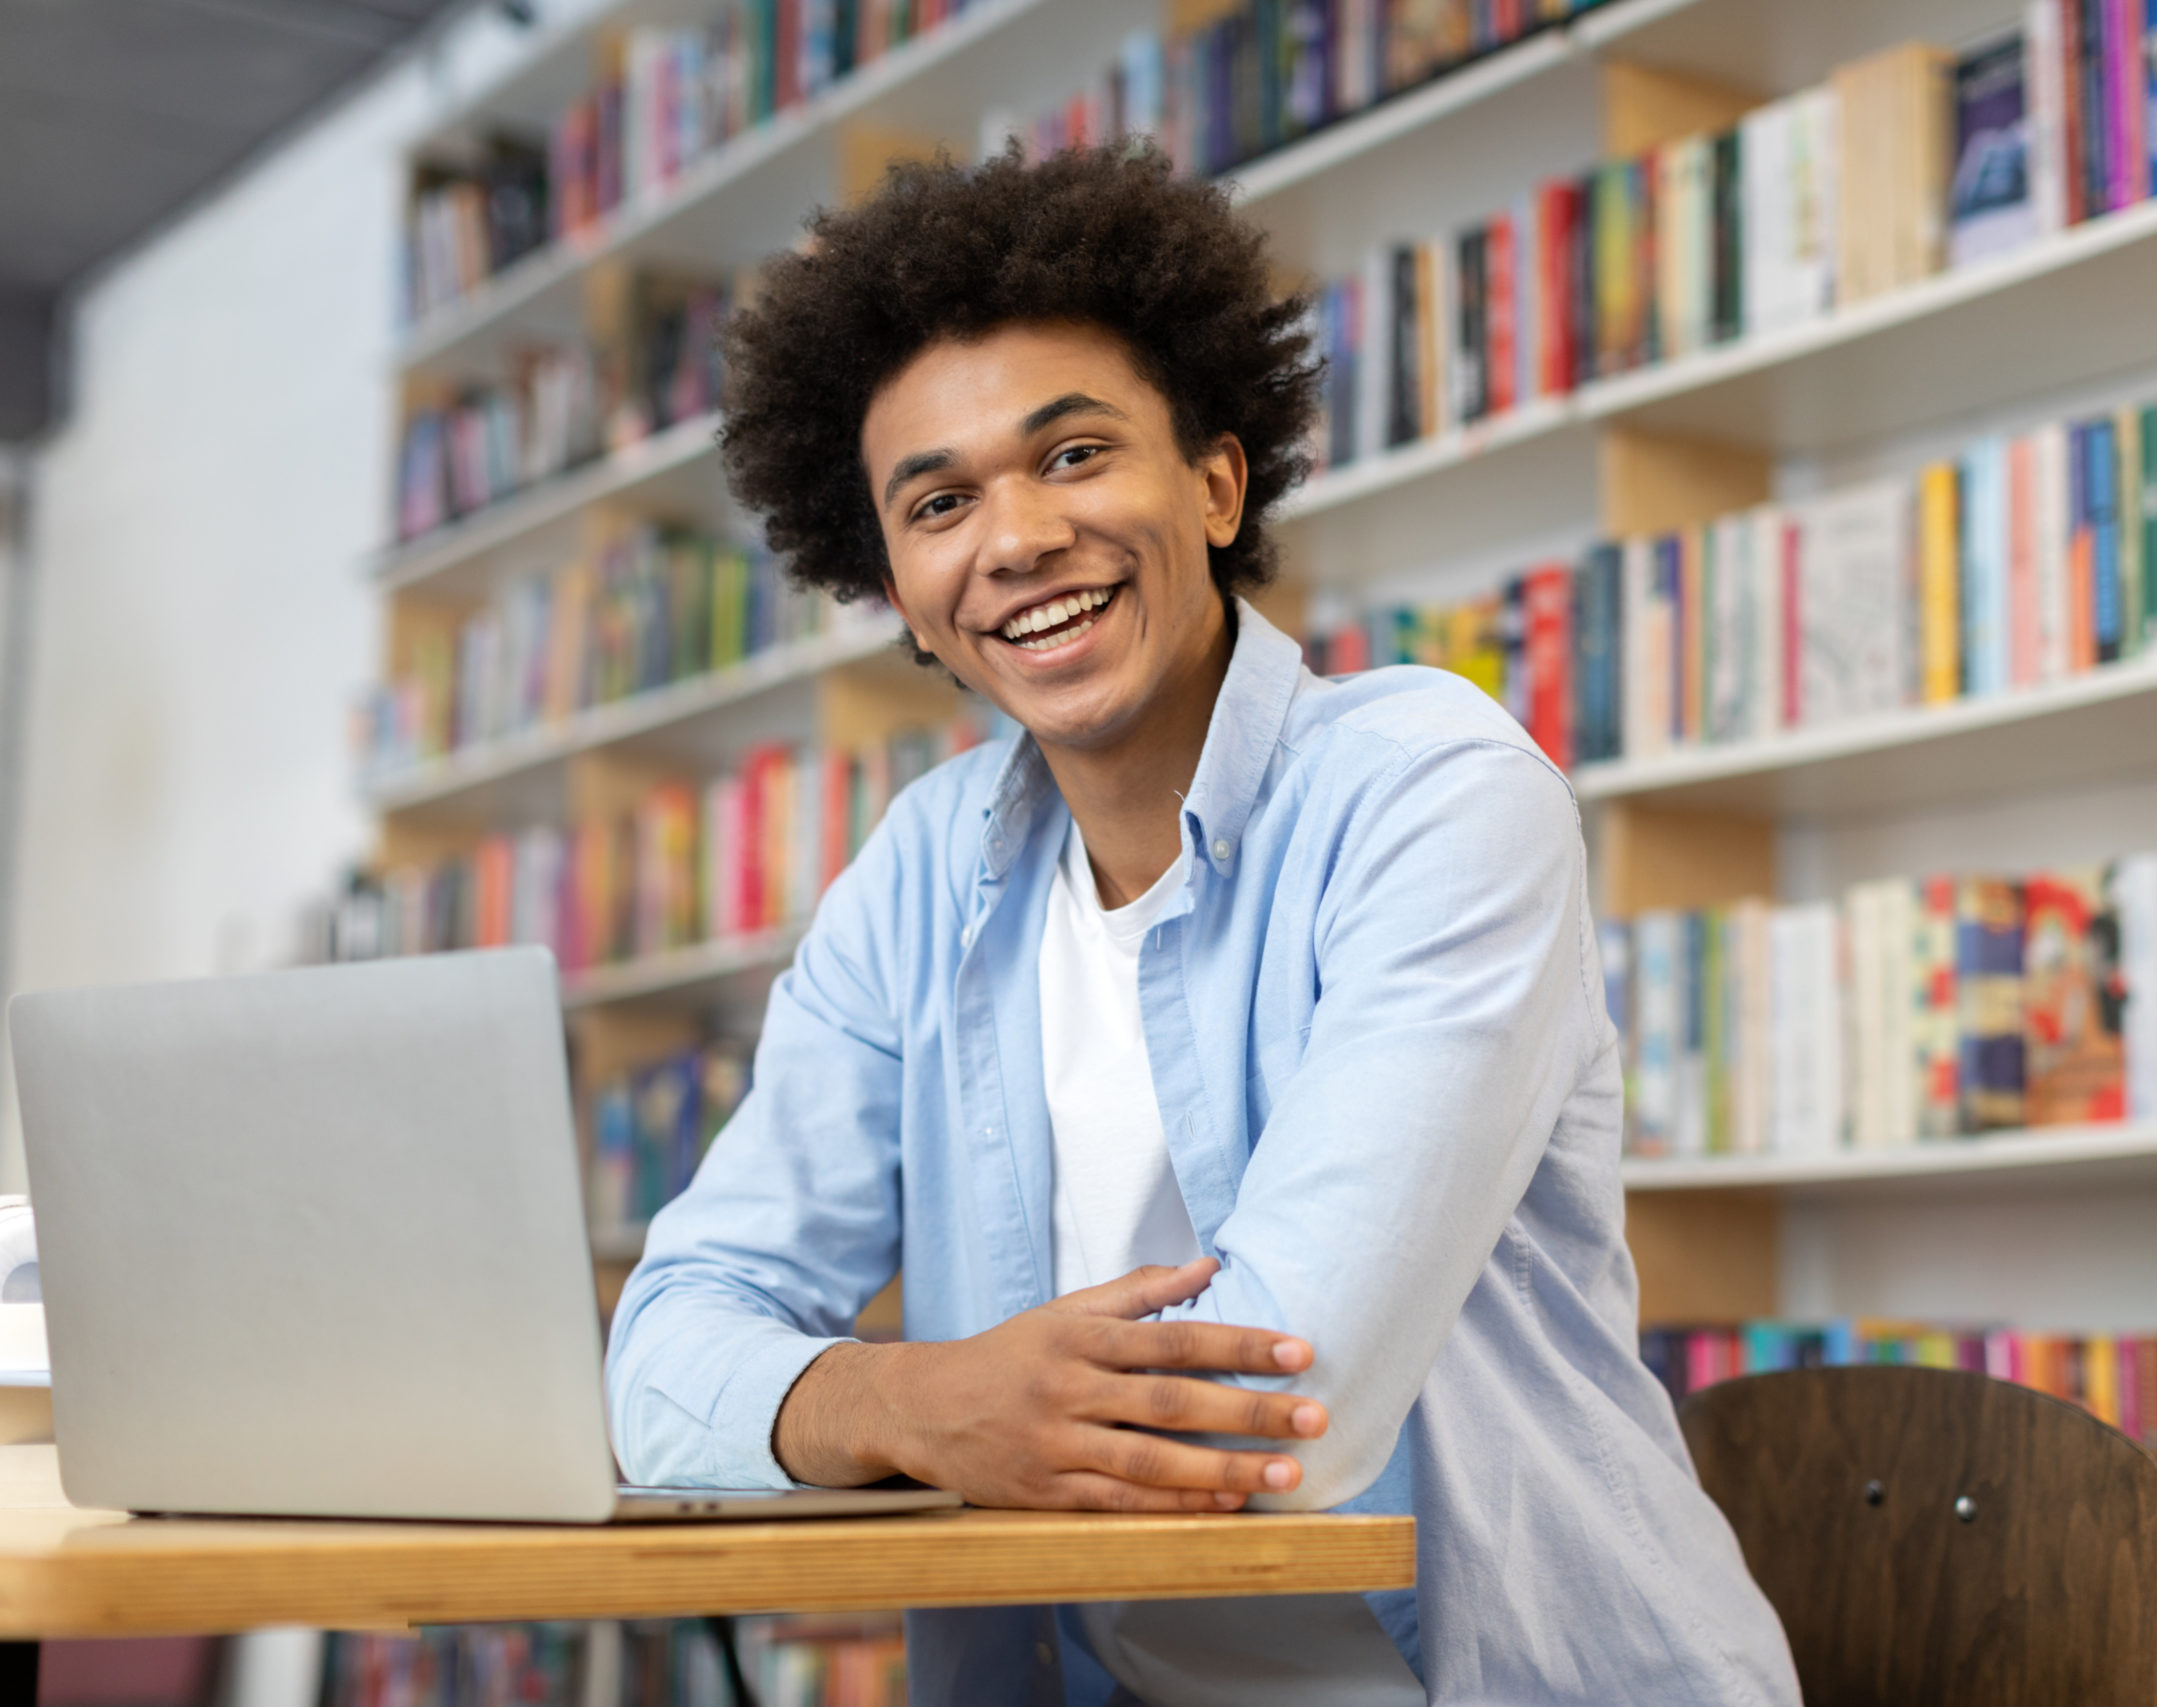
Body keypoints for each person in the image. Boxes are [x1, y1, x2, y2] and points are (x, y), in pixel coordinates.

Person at [605, 146, 1798, 1707]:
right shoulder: (912, 882)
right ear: (899, 587)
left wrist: (860, 1405)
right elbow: (661, 1361)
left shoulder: (1431, 794)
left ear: (1217, 484)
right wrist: (912, 1397)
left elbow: (1270, 1417)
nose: (1016, 537)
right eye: (942, 501)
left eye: (1076, 454)